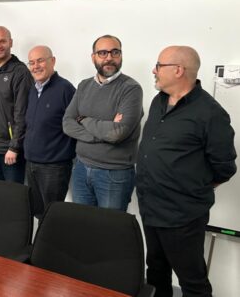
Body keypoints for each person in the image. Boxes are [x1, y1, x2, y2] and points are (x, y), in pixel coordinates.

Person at [136, 46, 236, 297]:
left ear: (178, 70)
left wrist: (191, 189)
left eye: (159, 66)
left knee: (192, 280)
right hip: (151, 207)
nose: (154, 71)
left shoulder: (210, 113)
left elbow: (224, 167)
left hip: (182, 215)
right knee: (156, 271)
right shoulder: (159, 101)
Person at [63, 35, 143, 211]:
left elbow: (117, 133)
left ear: (121, 55)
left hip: (114, 175)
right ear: (93, 57)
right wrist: (102, 132)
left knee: (109, 232)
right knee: (82, 225)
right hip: (81, 169)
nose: (109, 58)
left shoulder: (131, 89)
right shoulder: (84, 86)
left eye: (115, 52)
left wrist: (83, 119)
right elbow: (67, 123)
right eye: (102, 53)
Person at [24, 46, 76, 220]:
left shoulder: (66, 89)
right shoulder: (33, 89)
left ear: (52, 61)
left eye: (40, 60)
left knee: (53, 216)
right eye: (31, 62)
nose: (35, 66)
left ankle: (52, 247)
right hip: (32, 163)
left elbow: (77, 125)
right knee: (38, 213)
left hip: (54, 166)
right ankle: (40, 247)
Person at [0, 26, 33, 183]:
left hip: (9, 150)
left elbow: (22, 112)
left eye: (3, 41)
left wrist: (14, 147)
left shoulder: (20, 72)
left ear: (11, 43)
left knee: (13, 198)